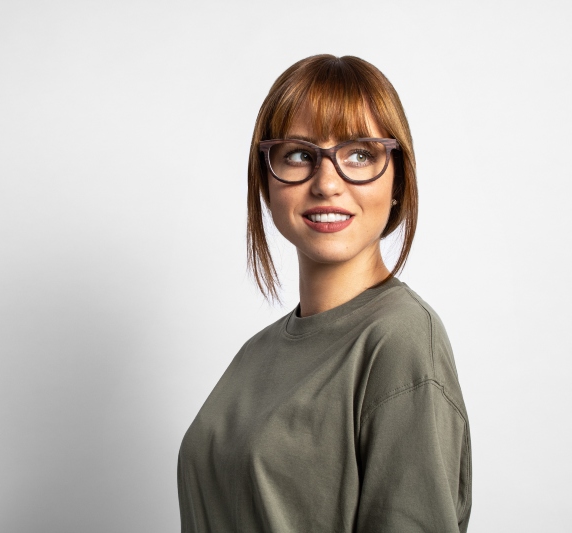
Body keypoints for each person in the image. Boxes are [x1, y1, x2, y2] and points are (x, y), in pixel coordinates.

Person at [177, 55, 472, 532]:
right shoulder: (256, 354)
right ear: (266, 180)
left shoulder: (401, 340)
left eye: (361, 154)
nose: (328, 182)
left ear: (398, 178)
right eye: (298, 154)